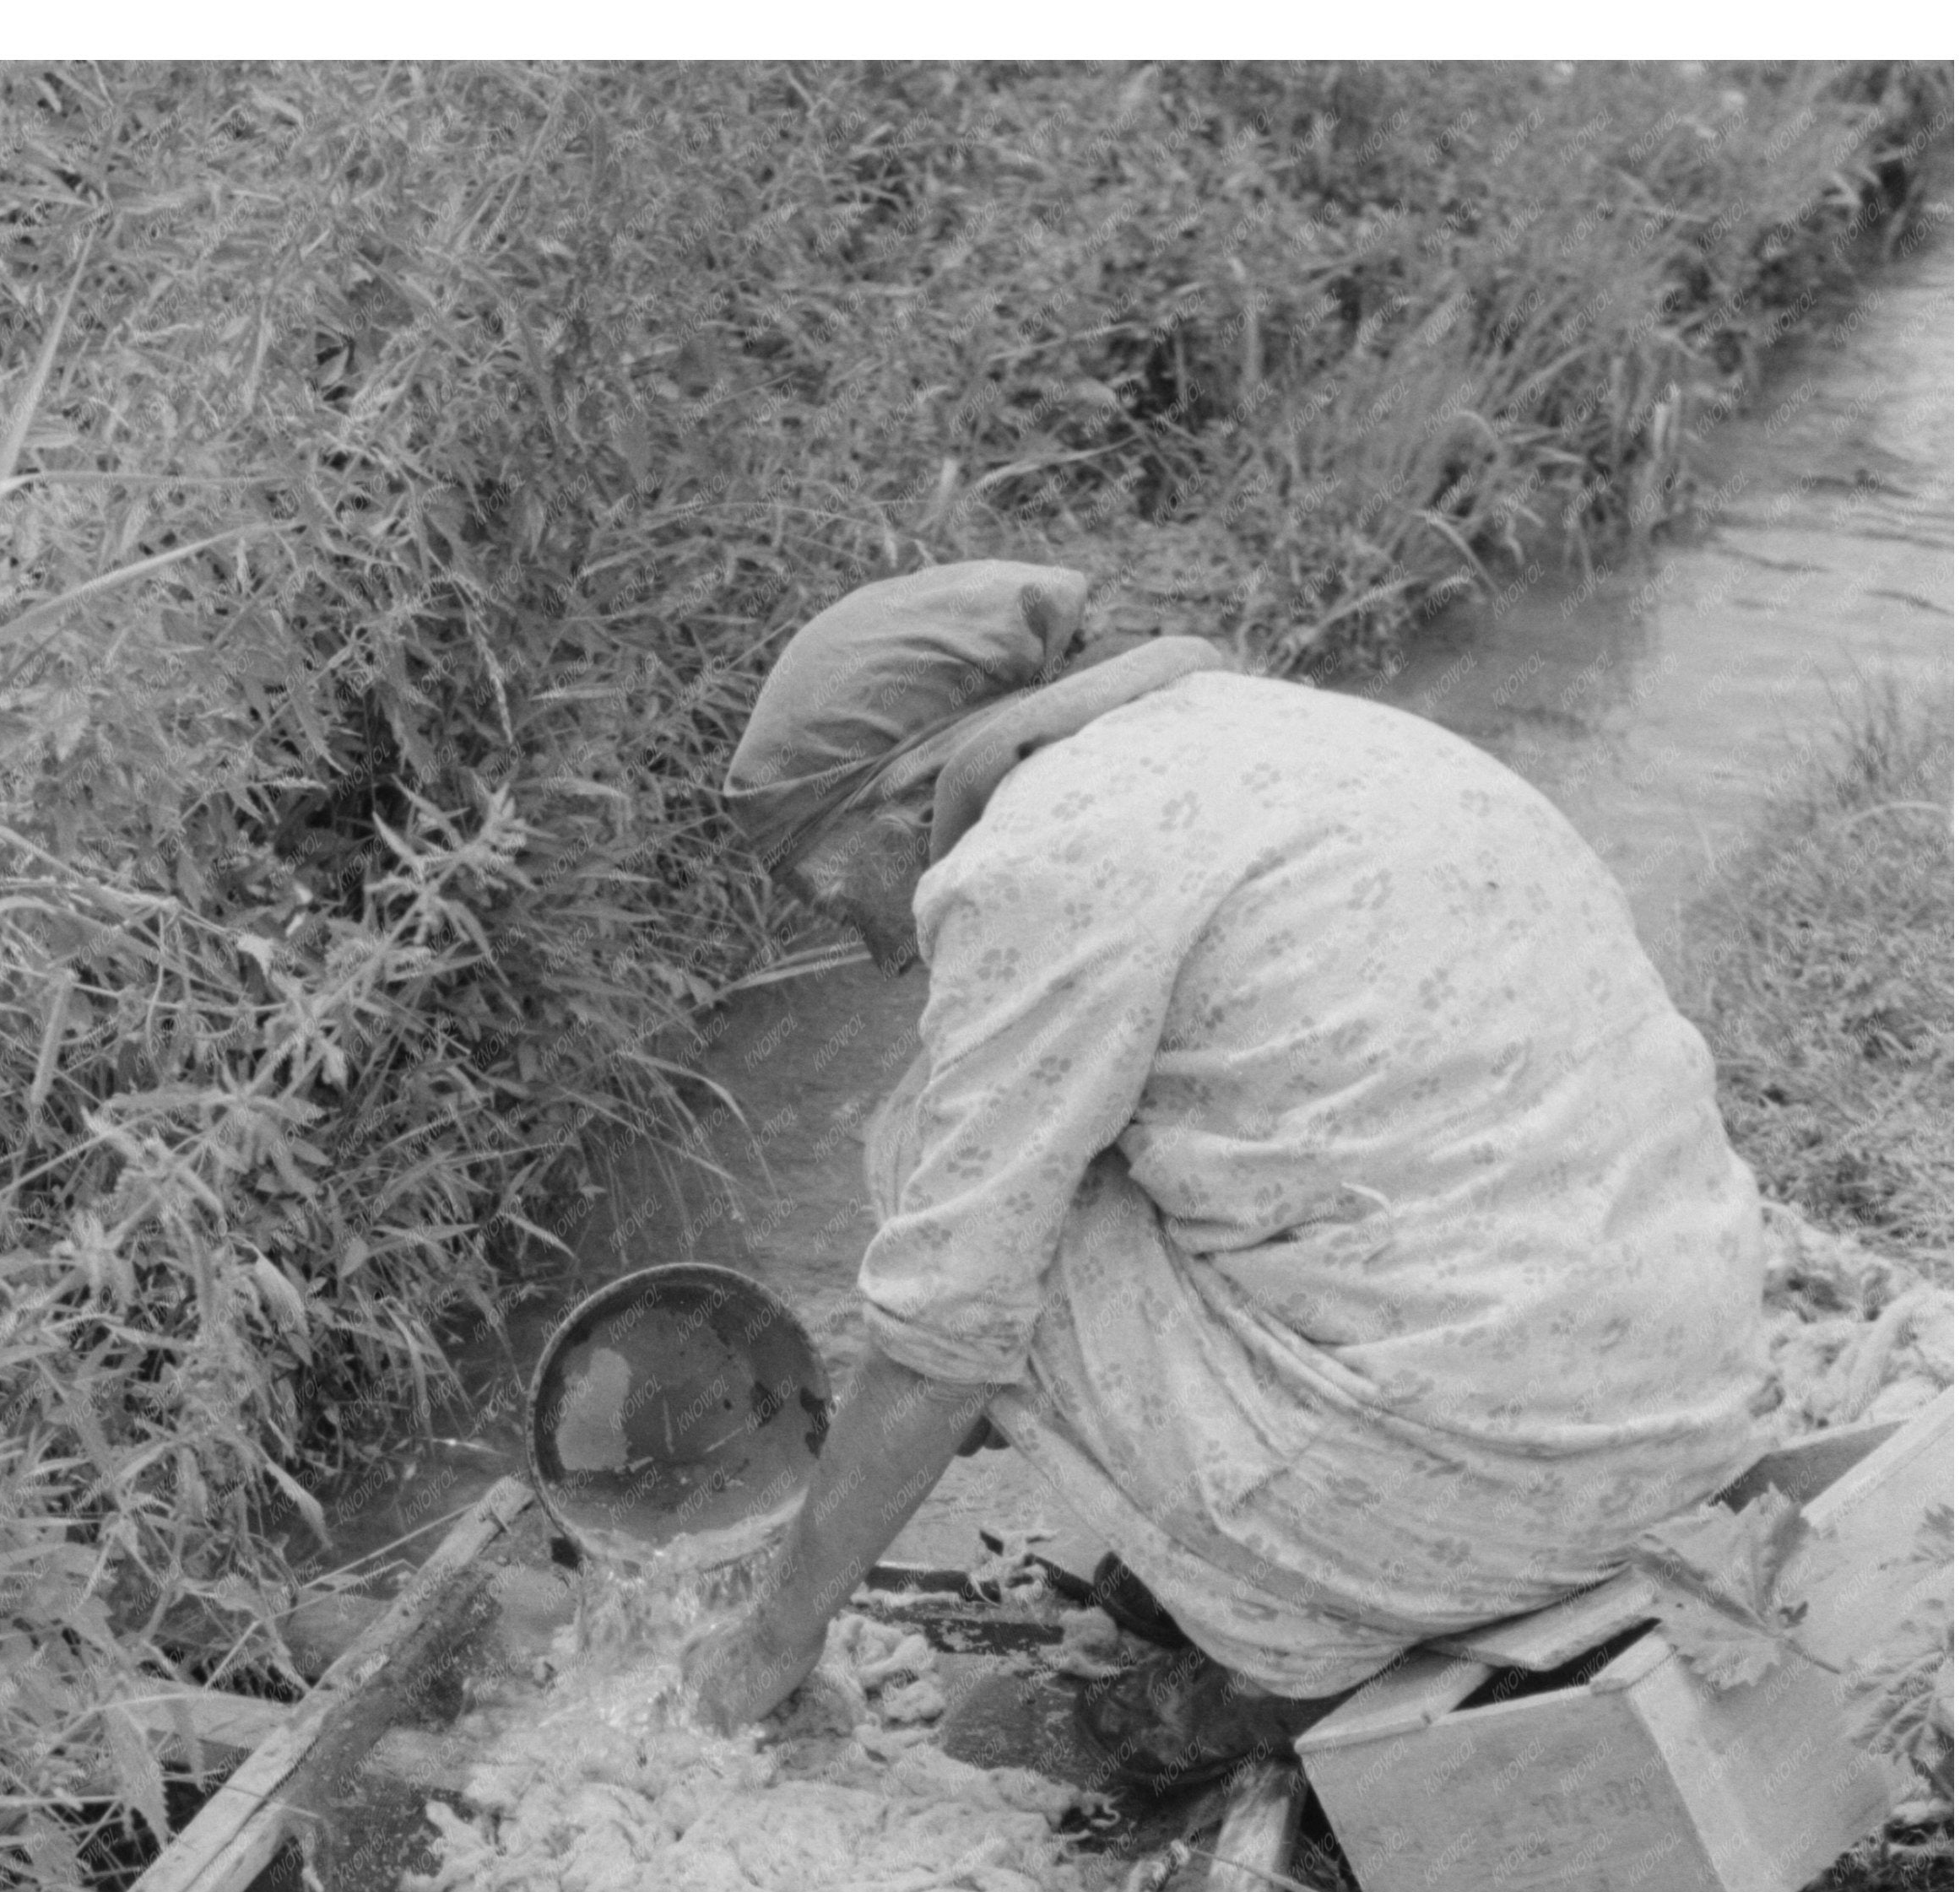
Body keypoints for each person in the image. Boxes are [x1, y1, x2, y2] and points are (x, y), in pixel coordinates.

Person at [680, 559, 1768, 1776]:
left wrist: (768, 1645)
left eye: (835, 891)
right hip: (1682, 1422)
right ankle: (1272, 1565)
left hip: (1487, 1492)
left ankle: (1272, 1670)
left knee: (925, 1158)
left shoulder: (1040, 857)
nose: (874, 944)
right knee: (1021, 1170)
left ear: (912, 796)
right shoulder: (1295, 735)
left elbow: (946, 1327)